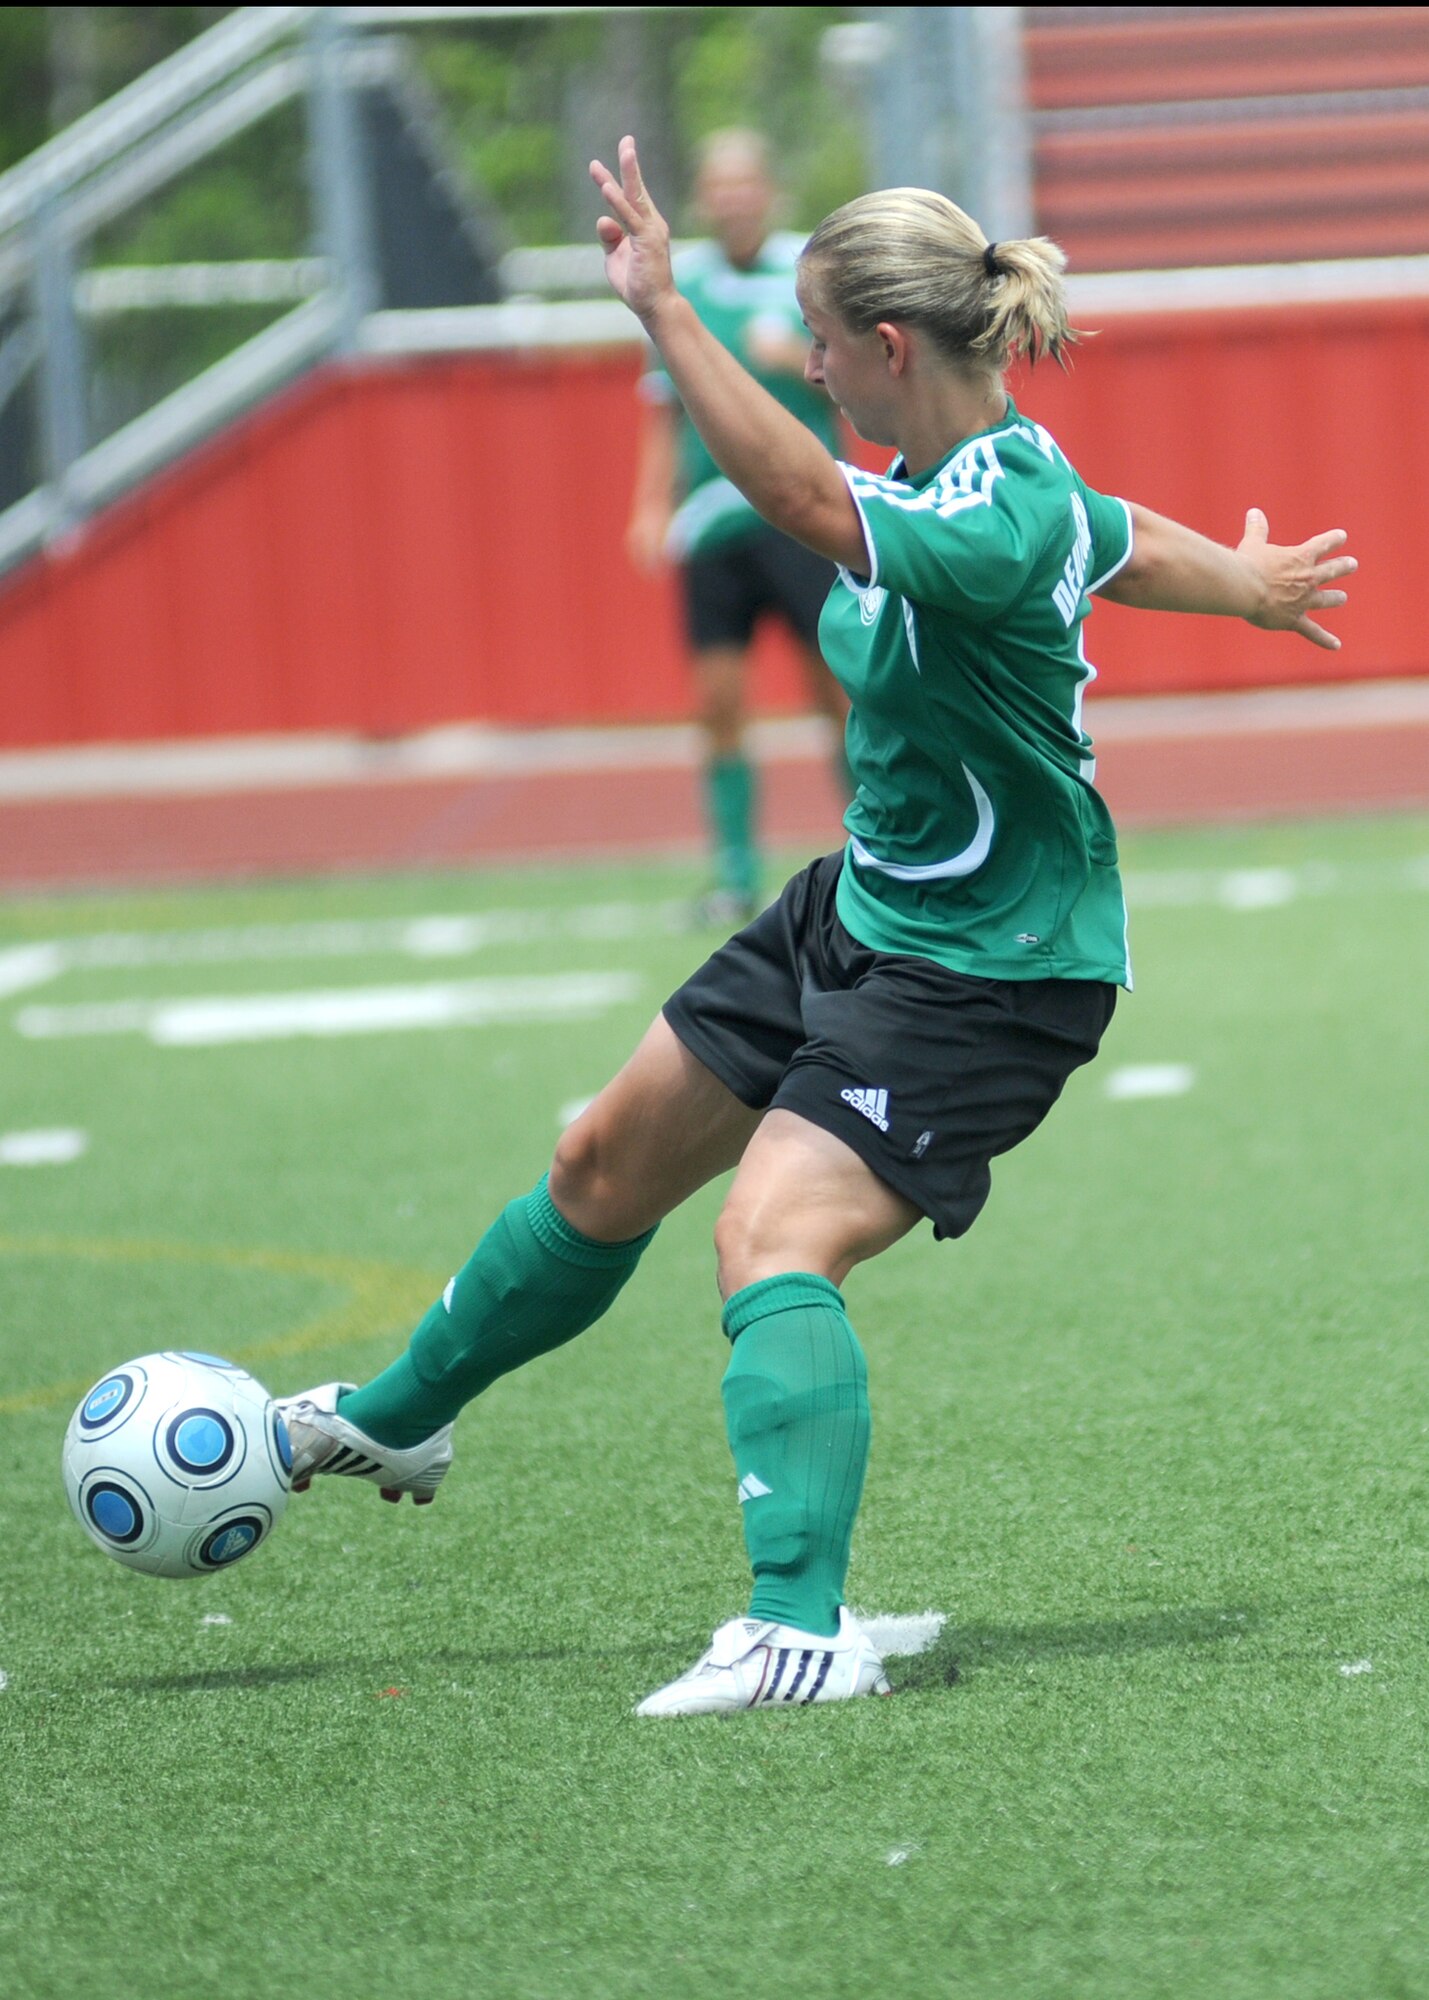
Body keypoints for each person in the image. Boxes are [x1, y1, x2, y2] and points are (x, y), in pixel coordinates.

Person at [278, 138, 1354, 1717]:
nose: (807, 357)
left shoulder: (982, 513)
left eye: (819, 337)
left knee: (768, 1240)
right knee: (598, 1164)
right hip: (858, 914)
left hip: (991, 976)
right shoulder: (968, 472)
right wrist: (1248, 583)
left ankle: (800, 1629)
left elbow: (801, 491)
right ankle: (401, 1413)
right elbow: (1121, 537)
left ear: (889, 349)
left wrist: (660, 310)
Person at [626, 129, 851, 927]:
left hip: (805, 515)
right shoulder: (681, 281)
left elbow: (867, 389)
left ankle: (880, 858)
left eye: (743, 181)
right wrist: (650, 503)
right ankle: (732, 873)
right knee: (718, 700)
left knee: (841, 690)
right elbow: (663, 404)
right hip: (716, 522)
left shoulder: (810, 272)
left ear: (768, 188)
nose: (732, 198)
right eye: (717, 184)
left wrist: (794, 357)